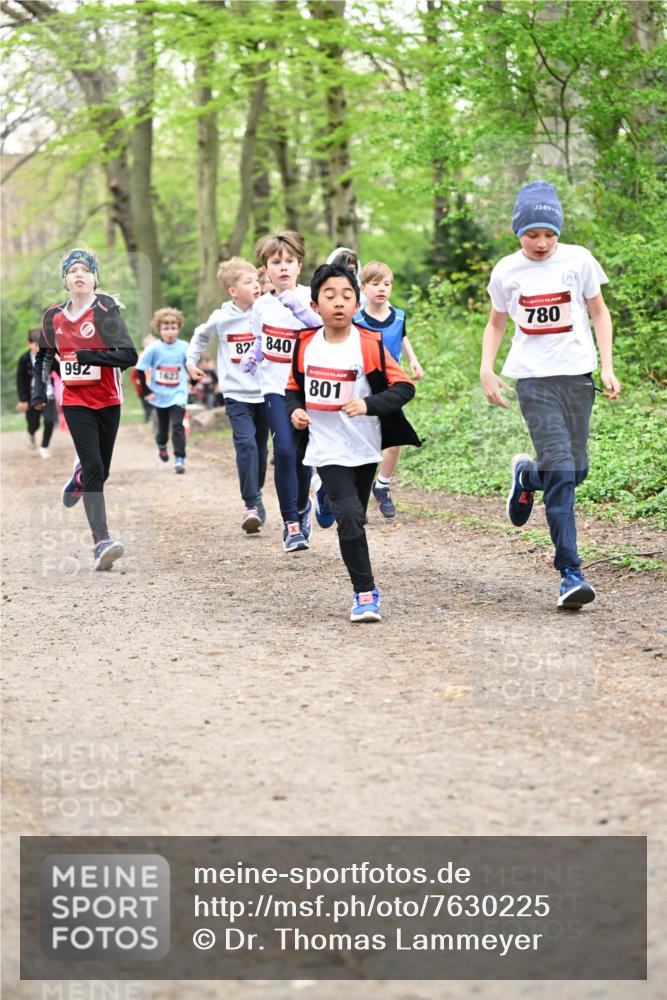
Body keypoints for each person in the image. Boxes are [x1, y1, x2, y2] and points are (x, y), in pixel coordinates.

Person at [480, 180, 621, 610]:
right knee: (562, 473)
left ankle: (528, 476)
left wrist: (608, 365)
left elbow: (599, 311)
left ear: (558, 231)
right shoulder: (507, 270)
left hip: (577, 378)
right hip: (534, 382)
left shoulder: (579, 260)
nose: (541, 243)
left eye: (549, 234)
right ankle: (570, 573)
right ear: (517, 232)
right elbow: (496, 323)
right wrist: (487, 367)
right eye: (532, 234)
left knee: (574, 471)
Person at [286, 263, 421, 622]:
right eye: (330, 296)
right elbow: (293, 389)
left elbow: (404, 387)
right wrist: (295, 411)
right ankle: (365, 593)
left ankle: (328, 501)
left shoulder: (369, 344)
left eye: (347, 296)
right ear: (315, 306)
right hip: (326, 447)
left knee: (354, 514)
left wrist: (368, 405)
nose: (339, 302)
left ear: (357, 303)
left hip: (364, 447)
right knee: (349, 518)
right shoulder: (305, 345)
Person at [31, 247, 137, 570]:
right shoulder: (53, 317)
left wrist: (90, 356)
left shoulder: (105, 311)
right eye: (72, 270)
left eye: (85, 270)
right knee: (93, 465)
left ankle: (79, 478)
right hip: (75, 400)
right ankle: (101, 541)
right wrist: (40, 390)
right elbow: (44, 357)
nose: (79, 275)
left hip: (108, 399)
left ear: (94, 279)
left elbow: (128, 356)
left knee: (100, 470)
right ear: (66, 280)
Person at [243, 231, 320, 552]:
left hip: (307, 391)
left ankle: (302, 507)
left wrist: (303, 313)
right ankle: (291, 525)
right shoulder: (261, 305)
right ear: (266, 269)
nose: (284, 267)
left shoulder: (310, 297)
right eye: (277, 262)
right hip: (274, 388)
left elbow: (324, 330)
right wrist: (253, 354)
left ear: (299, 266)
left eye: (290, 261)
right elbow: (262, 339)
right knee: (285, 451)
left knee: (303, 457)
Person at [187, 257, 269, 533]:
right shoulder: (222, 318)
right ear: (233, 291)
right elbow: (200, 336)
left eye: (257, 281)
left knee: (261, 448)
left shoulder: (268, 311)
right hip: (236, 394)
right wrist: (191, 361)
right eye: (248, 283)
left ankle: (256, 492)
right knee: (245, 445)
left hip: (266, 392)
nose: (256, 286)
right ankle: (250, 505)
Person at [354, 261, 424, 518]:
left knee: (394, 440)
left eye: (387, 284)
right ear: (363, 288)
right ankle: (357, 494)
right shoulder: (356, 319)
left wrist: (414, 361)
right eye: (375, 284)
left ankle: (382, 486)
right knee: (366, 440)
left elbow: (402, 336)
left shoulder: (400, 315)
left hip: (392, 386)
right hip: (363, 384)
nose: (382, 289)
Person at [135, 308, 189, 474]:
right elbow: (139, 369)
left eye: (173, 327)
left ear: (179, 328)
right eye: (166, 328)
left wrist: (193, 381)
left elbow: (190, 365)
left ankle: (180, 458)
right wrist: (146, 392)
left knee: (178, 425)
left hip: (178, 393)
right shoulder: (153, 349)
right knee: (162, 430)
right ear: (159, 330)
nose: (170, 332)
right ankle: (161, 445)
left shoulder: (184, 346)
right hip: (159, 394)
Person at [16, 328, 57, 457]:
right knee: (34, 423)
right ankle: (31, 433)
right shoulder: (24, 359)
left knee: (50, 421)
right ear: (29, 344)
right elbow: (20, 380)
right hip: (31, 396)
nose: (39, 348)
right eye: (36, 345)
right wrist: (23, 399)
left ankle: (44, 447)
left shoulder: (49, 357)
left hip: (48, 394)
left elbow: (61, 370)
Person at [130, 333, 157, 422]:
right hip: (142, 388)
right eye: (148, 345)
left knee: (153, 403)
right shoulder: (140, 357)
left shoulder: (158, 357)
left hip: (154, 386)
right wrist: (137, 381)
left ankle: (153, 418)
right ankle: (147, 416)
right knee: (145, 403)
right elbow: (134, 374)